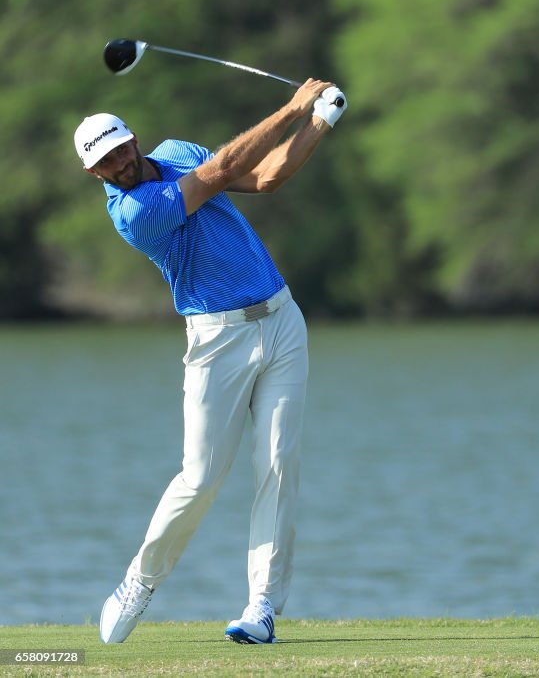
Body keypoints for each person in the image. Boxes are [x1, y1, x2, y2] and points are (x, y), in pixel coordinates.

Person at [74, 78, 346, 645]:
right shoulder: (133, 212)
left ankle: (262, 608)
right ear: (93, 173)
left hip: (282, 319)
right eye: (105, 161)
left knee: (277, 463)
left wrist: (320, 120)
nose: (119, 163)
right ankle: (139, 582)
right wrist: (293, 107)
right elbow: (221, 170)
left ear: (133, 139)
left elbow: (266, 176)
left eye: (121, 149)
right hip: (216, 341)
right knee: (200, 479)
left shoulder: (174, 152)